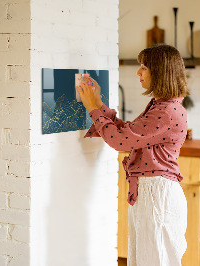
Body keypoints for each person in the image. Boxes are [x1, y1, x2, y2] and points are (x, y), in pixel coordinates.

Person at [77, 44, 189, 266]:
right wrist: (98, 103)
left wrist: (92, 107)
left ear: (160, 72)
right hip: (152, 193)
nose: (138, 72)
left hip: (157, 195)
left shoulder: (166, 111)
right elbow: (128, 133)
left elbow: (120, 141)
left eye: (144, 67)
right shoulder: (162, 106)